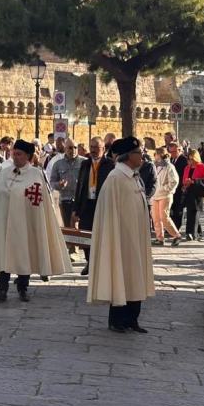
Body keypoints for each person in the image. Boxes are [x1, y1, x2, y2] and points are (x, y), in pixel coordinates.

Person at [0, 139, 71, 302]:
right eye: (14, 153)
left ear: (28, 156)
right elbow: (0, 193)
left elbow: (38, 202)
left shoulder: (35, 174)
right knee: (6, 255)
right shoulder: (5, 172)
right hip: (6, 222)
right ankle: (2, 289)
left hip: (25, 223)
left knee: (24, 253)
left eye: (19, 154)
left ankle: (22, 288)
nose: (16, 157)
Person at [88, 137, 156, 333]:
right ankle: (117, 319)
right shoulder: (115, 178)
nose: (142, 156)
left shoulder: (134, 176)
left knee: (135, 275)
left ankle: (132, 319)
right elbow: (108, 213)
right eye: (138, 153)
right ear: (128, 157)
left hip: (136, 237)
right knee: (121, 274)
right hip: (121, 238)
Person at [72, 137, 114, 276]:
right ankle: (89, 261)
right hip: (86, 204)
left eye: (96, 147)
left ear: (103, 148)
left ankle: (100, 263)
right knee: (85, 235)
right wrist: (76, 209)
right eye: (91, 147)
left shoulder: (110, 165)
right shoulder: (85, 164)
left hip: (102, 204)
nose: (93, 150)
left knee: (101, 234)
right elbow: (79, 187)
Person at [50, 138, 85, 229]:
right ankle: (70, 244)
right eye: (70, 148)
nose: (73, 150)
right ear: (65, 149)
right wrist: (59, 185)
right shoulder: (58, 164)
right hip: (66, 201)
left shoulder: (84, 163)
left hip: (81, 201)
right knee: (68, 228)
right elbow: (52, 183)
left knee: (81, 228)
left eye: (75, 147)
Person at [151, 147, 182, 247]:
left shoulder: (169, 166)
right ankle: (159, 238)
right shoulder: (155, 166)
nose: (154, 156)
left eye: (155, 154)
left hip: (165, 195)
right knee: (155, 218)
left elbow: (174, 181)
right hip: (155, 195)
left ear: (160, 155)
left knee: (164, 217)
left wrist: (164, 189)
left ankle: (176, 235)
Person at [182, 149, 204, 241]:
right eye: (189, 159)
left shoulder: (202, 166)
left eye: (192, 159)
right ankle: (197, 232)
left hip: (199, 192)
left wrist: (195, 181)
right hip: (189, 191)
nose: (190, 161)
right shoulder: (187, 168)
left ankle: (191, 233)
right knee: (191, 212)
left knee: (195, 211)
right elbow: (183, 180)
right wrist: (186, 183)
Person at [167, 141, 188, 234]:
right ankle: (172, 227)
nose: (172, 154)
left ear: (179, 150)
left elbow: (185, 174)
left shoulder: (184, 160)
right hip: (172, 189)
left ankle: (177, 227)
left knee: (178, 209)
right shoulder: (171, 159)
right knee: (171, 208)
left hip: (180, 188)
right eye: (170, 152)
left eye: (174, 152)